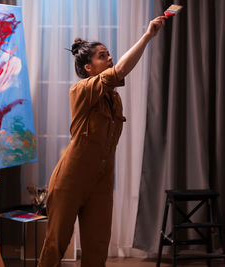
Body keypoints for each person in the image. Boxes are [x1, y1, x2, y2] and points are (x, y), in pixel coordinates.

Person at [38, 16, 166, 267]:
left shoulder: (113, 99)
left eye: (109, 54)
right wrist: (147, 35)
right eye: (102, 56)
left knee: (97, 248)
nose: (109, 59)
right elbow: (119, 71)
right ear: (88, 67)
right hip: (71, 179)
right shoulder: (80, 91)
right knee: (55, 244)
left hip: (102, 181)